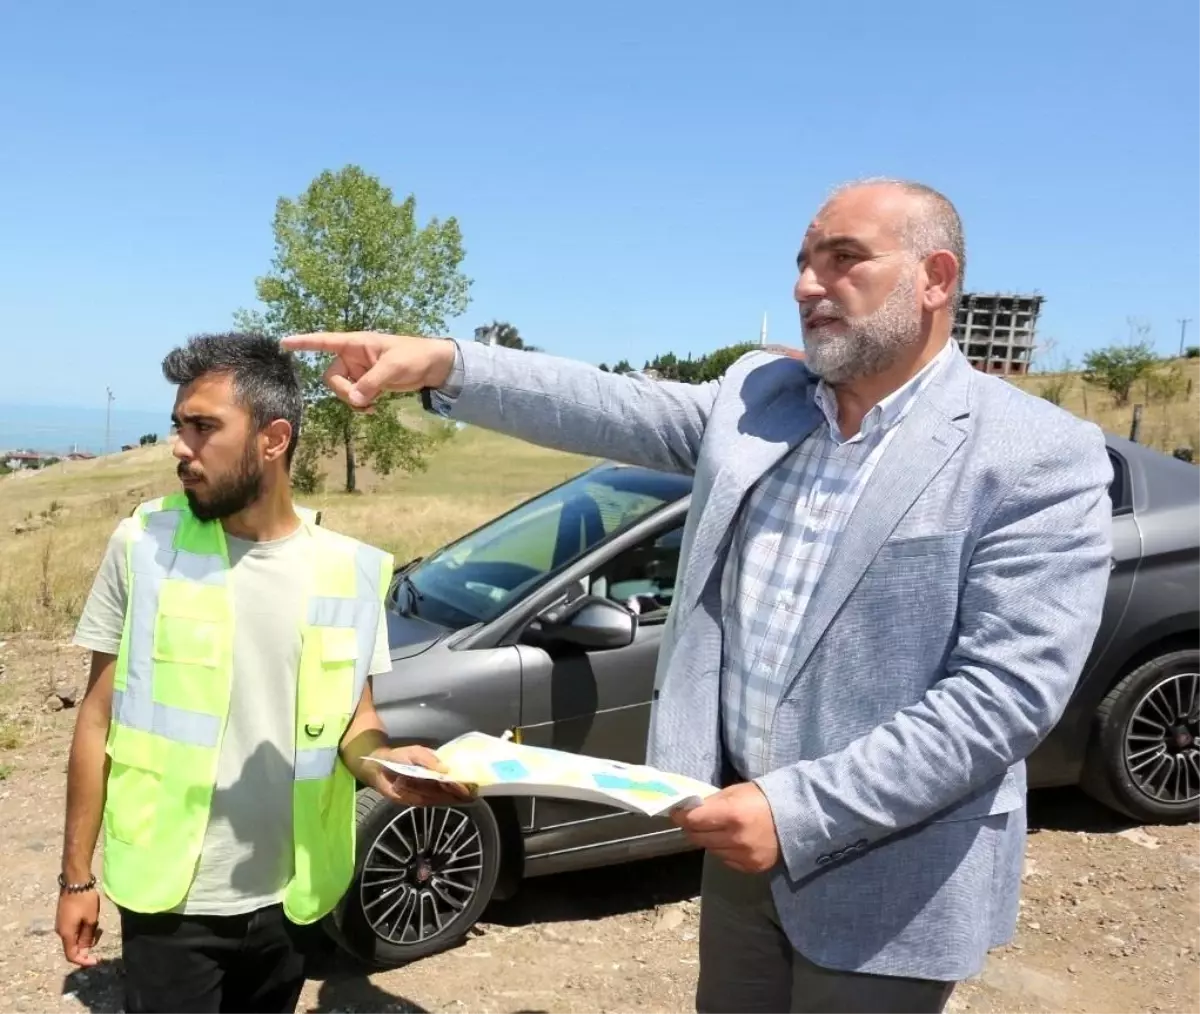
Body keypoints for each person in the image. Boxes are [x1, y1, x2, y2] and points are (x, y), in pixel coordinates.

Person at [282, 178, 1113, 1014]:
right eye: (801, 262)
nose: (805, 286)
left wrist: (794, 809)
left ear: (935, 277)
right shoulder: (767, 402)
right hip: (738, 846)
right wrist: (445, 363)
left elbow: (1002, 698)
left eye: (842, 259)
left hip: (890, 871)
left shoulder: (1036, 454)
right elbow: (607, 404)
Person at [56, 332, 468, 1014]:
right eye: (177, 426)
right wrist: (76, 879)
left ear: (273, 439)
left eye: (202, 428)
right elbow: (95, 717)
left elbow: (354, 721)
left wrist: (383, 764)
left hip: (293, 898)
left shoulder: (353, 572)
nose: (179, 448)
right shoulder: (141, 545)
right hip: (171, 901)